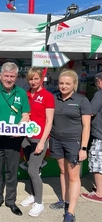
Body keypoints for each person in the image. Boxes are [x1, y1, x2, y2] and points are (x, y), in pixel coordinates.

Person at [0, 62, 30, 216]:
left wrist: (20, 128)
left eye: (12, 76)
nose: (9, 79)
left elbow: (25, 115)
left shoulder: (22, 93)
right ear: (0, 76)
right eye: (6, 76)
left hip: (14, 139)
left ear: (16, 77)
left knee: (12, 171)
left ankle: (11, 201)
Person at [49, 69, 91, 222]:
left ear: (74, 85)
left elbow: (86, 126)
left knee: (73, 176)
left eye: (67, 83)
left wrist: (83, 148)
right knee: (62, 171)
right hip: (56, 140)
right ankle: (64, 200)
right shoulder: (53, 98)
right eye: (61, 83)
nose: (64, 86)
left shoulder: (82, 100)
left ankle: (71, 212)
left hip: (74, 142)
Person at [20, 67, 55, 217]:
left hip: (39, 138)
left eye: (36, 79)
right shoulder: (25, 94)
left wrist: (42, 141)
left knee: (33, 170)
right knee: (31, 168)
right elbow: (25, 115)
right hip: (25, 138)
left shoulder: (47, 96)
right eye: (30, 79)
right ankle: (34, 195)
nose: (33, 82)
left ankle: (39, 204)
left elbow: (49, 121)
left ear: (41, 79)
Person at [80, 72, 102, 203]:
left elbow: (90, 111)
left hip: (100, 136)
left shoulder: (99, 94)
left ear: (99, 81)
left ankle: (99, 193)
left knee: (97, 164)